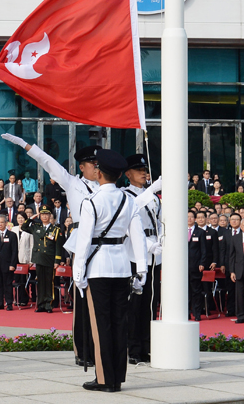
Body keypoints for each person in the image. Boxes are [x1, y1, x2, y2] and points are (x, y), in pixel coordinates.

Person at [1, 132, 100, 368]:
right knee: (81, 296)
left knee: (100, 297)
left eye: (99, 165)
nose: (97, 168)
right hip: (81, 240)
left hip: (104, 242)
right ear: (83, 166)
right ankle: (83, 349)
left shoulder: (106, 188)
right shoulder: (73, 182)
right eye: (93, 165)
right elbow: (47, 162)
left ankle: (100, 347)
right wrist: (25, 145)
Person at [71, 149, 145, 393]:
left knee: (101, 324)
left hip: (98, 268)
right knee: (119, 323)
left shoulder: (91, 202)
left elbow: (84, 242)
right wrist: (141, 270)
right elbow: (138, 238)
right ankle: (117, 378)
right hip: (122, 267)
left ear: (99, 173)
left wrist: (78, 272)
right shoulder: (129, 200)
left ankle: (104, 379)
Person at [122, 154, 162, 364]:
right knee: (134, 305)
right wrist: (148, 245)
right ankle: (133, 347)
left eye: (145, 170)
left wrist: (162, 244)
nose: (144, 174)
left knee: (150, 302)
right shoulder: (125, 195)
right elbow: (128, 220)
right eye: (139, 171)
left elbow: (160, 222)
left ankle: (148, 346)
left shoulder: (154, 197)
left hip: (155, 255)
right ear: (128, 174)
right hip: (135, 255)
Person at [29, 206, 62, 313]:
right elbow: (24, 227)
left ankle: (49, 304)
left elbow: (58, 246)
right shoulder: (36, 227)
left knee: (49, 282)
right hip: (39, 258)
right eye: (42, 214)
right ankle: (41, 304)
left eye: (46, 214)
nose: (44, 216)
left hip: (49, 259)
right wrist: (32, 218)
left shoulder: (55, 229)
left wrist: (57, 260)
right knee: (41, 282)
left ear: (50, 216)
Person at [0, 214, 18, 310]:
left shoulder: (12, 235)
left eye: (2, 222)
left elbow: (14, 251)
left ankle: (9, 303)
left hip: (8, 264)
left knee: (8, 285)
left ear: (6, 223)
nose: (0, 224)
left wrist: (12, 264)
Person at [186, 210, 207, 321]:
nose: (189, 219)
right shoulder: (180, 231)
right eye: (187, 217)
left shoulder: (200, 232)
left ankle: (197, 313)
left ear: (195, 219)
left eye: (191, 217)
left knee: (196, 291)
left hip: (196, 266)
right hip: (184, 267)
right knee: (185, 291)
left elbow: (204, 250)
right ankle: (187, 313)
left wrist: (202, 263)